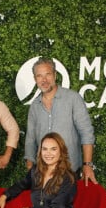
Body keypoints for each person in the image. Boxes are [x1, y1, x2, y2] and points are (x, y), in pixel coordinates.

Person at [24, 57, 98, 186]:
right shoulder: (35, 105)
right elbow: (30, 139)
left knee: (66, 206)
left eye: (48, 74)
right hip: (43, 173)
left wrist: (87, 165)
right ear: (35, 79)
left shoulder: (73, 98)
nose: (44, 80)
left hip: (69, 171)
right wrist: (30, 169)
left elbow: (86, 133)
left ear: (55, 75)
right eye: (39, 76)